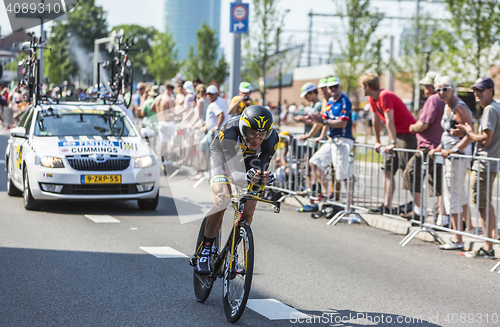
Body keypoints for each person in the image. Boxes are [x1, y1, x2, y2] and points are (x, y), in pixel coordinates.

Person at [195, 105, 279, 275]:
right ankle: (204, 251)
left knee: (248, 211)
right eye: (252, 133)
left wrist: (264, 177)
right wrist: (245, 178)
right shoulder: (230, 132)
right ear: (243, 129)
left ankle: (233, 250)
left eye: (262, 135)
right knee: (223, 199)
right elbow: (234, 172)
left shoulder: (272, 139)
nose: (256, 139)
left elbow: (261, 167)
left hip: (249, 162)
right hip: (223, 158)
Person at [453, 77, 500, 258]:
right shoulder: (497, 107)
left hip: (484, 163)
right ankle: (491, 241)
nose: (476, 93)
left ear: (490, 90)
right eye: (475, 90)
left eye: (481, 89)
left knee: (482, 205)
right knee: (486, 203)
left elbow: (486, 139)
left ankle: (488, 246)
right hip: (491, 163)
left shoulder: (489, 109)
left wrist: (468, 133)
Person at [359, 73, 417, 214]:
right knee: (388, 169)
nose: (361, 89)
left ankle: (418, 208)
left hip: (405, 136)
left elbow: (389, 120)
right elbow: (376, 121)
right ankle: (387, 205)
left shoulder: (385, 95)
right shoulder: (372, 98)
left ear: (367, 86)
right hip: (395, 136)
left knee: (407, 172)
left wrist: (393, 142)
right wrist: (377, 141)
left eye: (362, 86)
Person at [429, 76, 474, 250]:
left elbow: (470, 135)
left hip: (457, 157)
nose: (441, 93)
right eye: (438, 90)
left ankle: (458, 239)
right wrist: (438, 148)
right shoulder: (448, 107)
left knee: (452, 196)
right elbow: (448, 135)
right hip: (450, 156)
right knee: (459, 194)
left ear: (453, 88)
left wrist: (453, 150)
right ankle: (469, 230)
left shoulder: (459, 107)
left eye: (444, 89)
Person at [302, 76, 354, 210]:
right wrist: (314, 119)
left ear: (340, 86)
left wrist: (323, 122)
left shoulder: (345, 101)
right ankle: (326, 192)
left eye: (335, 86)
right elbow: (324, 120)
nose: (333, 89)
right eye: (331, 87)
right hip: (332, 141)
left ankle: (349, 207)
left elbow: (343, 123)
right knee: (315, 161)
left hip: (343, 140)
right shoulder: (330, 102)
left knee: (343, 174)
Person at [401, 72, 446, 224]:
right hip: (440, 146)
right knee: (438, 183)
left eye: (426, 86)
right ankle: (443, 218)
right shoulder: (444, 99)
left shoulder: (433, 99)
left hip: (429, 146)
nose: (425, 89)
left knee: (410, 173)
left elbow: (423, 124)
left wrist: (413, 127)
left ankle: (419, 210)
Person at [199, 85, 229, 153]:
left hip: (217, 132)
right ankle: (208, 163)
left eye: (212, 94)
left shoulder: (216, 103)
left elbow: (221, 115)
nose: (210, 96)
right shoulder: (217, 101)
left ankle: (207, 163)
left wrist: (216, 127)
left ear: (216, 94)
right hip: (215, 131)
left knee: (204, 147)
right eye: (208, 94)